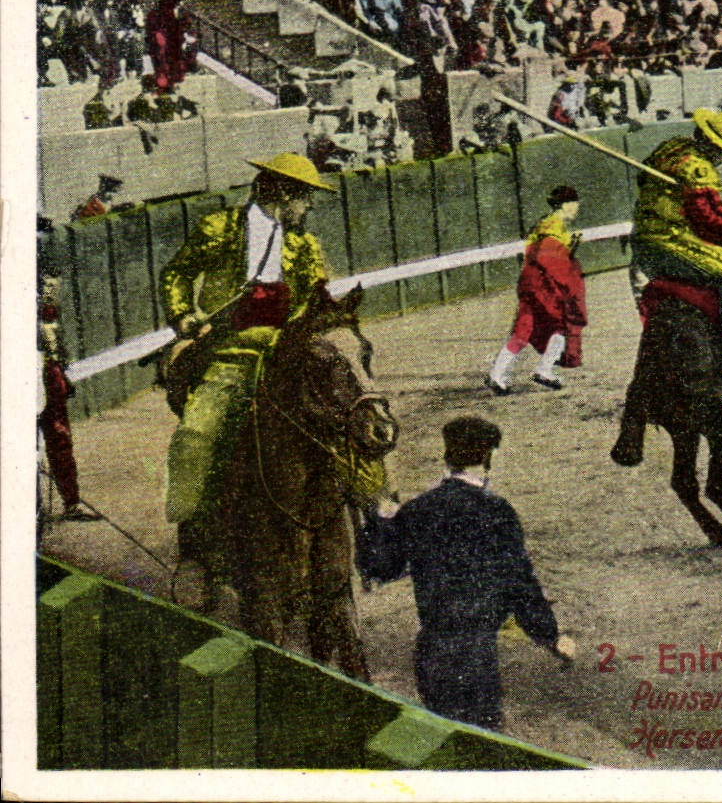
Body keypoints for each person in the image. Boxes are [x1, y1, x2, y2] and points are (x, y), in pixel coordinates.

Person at [356, 417, 575, 731]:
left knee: (444, 735)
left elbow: (378, 567)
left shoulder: (418, 510)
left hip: (431, 650)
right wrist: (551, 636)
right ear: (487, 456)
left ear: (446, 455)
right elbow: (520, 585)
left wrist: (378, 521)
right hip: (476, 655)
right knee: (482, 741)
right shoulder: (498, 511)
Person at [159, 152, 333, 523]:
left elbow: (316, 296)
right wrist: (186, 318)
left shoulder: (305, 245)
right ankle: (192, 527)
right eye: (305, 196)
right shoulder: (219, 227)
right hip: (230, 353)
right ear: (285, 194)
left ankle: (374, 512)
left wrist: (298, 326)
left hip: (285, 350)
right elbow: (177, 274)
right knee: (195, 435)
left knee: (345, 417)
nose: (309, 206)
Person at [630, 108, 722, 372]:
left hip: (644, 236)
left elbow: (643, 178)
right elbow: (711, 220)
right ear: (712, 146)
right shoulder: (698, 168)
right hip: (668, 239)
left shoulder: (673, 148)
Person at [489, 186, 587, 394]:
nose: (577, 210)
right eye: (575, 205)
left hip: (530, 283)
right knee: (563, 323)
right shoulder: (553, 227)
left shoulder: (545, 223)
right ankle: (544, 369)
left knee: (523, 329)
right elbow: (550, 260)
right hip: (544, 286)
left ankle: (497, 375)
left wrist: (570, 247)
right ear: (567, 205)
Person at [38, 266, 99, 521]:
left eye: (54, 288)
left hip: (50, 375)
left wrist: (62, 374)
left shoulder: (50, 313)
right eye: (47, 289)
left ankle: (71, 502)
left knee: (60, 439)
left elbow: (55, 346)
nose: (51, 293)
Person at [145, 0, 194, 92]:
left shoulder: (179, 11)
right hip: (165, 38)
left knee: (176, 60)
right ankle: (164, 84)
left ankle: (172, 82)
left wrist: (185, 36)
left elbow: (184, 24)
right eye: (181, 2)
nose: (182, 4)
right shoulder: (164, 8)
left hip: (174, 39)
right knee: (164, 60)